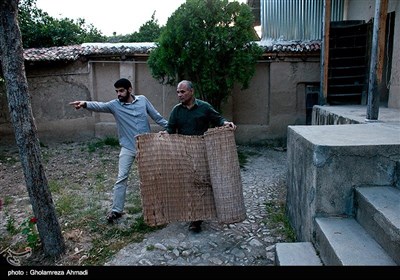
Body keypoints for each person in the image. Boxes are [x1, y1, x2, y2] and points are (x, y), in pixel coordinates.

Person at [69, 78, 168, 223]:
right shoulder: (115, 105)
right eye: (116, 91)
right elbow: (100, 106)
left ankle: (158, 208)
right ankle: (116, 211)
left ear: (130, 89)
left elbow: (157, 117)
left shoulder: (143, 100)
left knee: (152, 178)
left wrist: (171, 127)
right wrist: (85, 104)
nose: (118, 94)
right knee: (121, 178)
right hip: (128, 147)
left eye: (121, 90)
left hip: (147, 147)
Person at [166, 80, 236, 233]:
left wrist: (226, 123)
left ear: (191, 92)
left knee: (201, 184)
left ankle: (197, 219)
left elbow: (218, 119)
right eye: (178, 92)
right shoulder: (176, 111)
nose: (179, 95)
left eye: (182, 92)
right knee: (188, 184)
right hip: (183, 152)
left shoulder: (204, 107)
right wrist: (163, 136)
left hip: (202, 151)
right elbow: (170, 129)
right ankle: (191, 213)